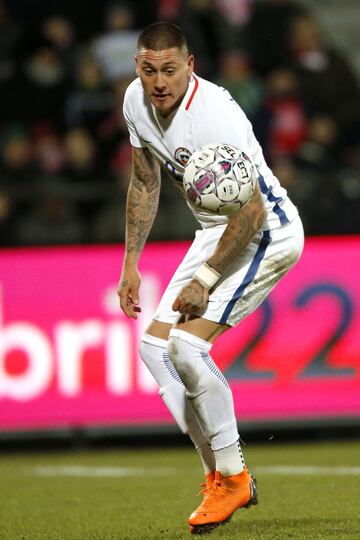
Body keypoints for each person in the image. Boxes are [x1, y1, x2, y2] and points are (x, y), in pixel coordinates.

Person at [118, 22, 304, 535]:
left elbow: (250, 215)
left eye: (170, 70)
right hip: (215, 231)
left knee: (185, 348)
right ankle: (219, 475)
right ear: (138, 66)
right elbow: (144, 180)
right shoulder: (136, 102)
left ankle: (234, 476)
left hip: (266, 230)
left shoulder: (214, 117)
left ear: (190, 66)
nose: (160, 82)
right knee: (154, 350)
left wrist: (205, 277)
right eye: (150, 70)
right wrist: (130, 263)